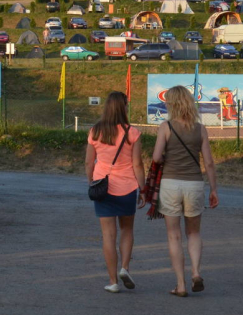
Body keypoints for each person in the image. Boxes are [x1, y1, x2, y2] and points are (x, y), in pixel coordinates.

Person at [152, 85, 218, 297]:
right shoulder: (200, 129)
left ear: (172, 104)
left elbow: (155, 158)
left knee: (174, 236)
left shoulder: (166, 127)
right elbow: (208, 163)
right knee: (194, 232)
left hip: (170, 184)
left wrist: (164, 159)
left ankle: (180, 285)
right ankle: (196, 272)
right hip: (194, 184)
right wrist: (213, 189)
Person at [85, 92, 145, 293]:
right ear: (124, 107)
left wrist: (92, 181)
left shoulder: (95, 131)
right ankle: (125, 268)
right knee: (127, 230)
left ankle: (112, 282)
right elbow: (137, 164)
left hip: (103, 188)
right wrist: (143, 189)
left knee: (108, 236)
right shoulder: (132, 133)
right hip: (127, 187)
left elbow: (88, 162)